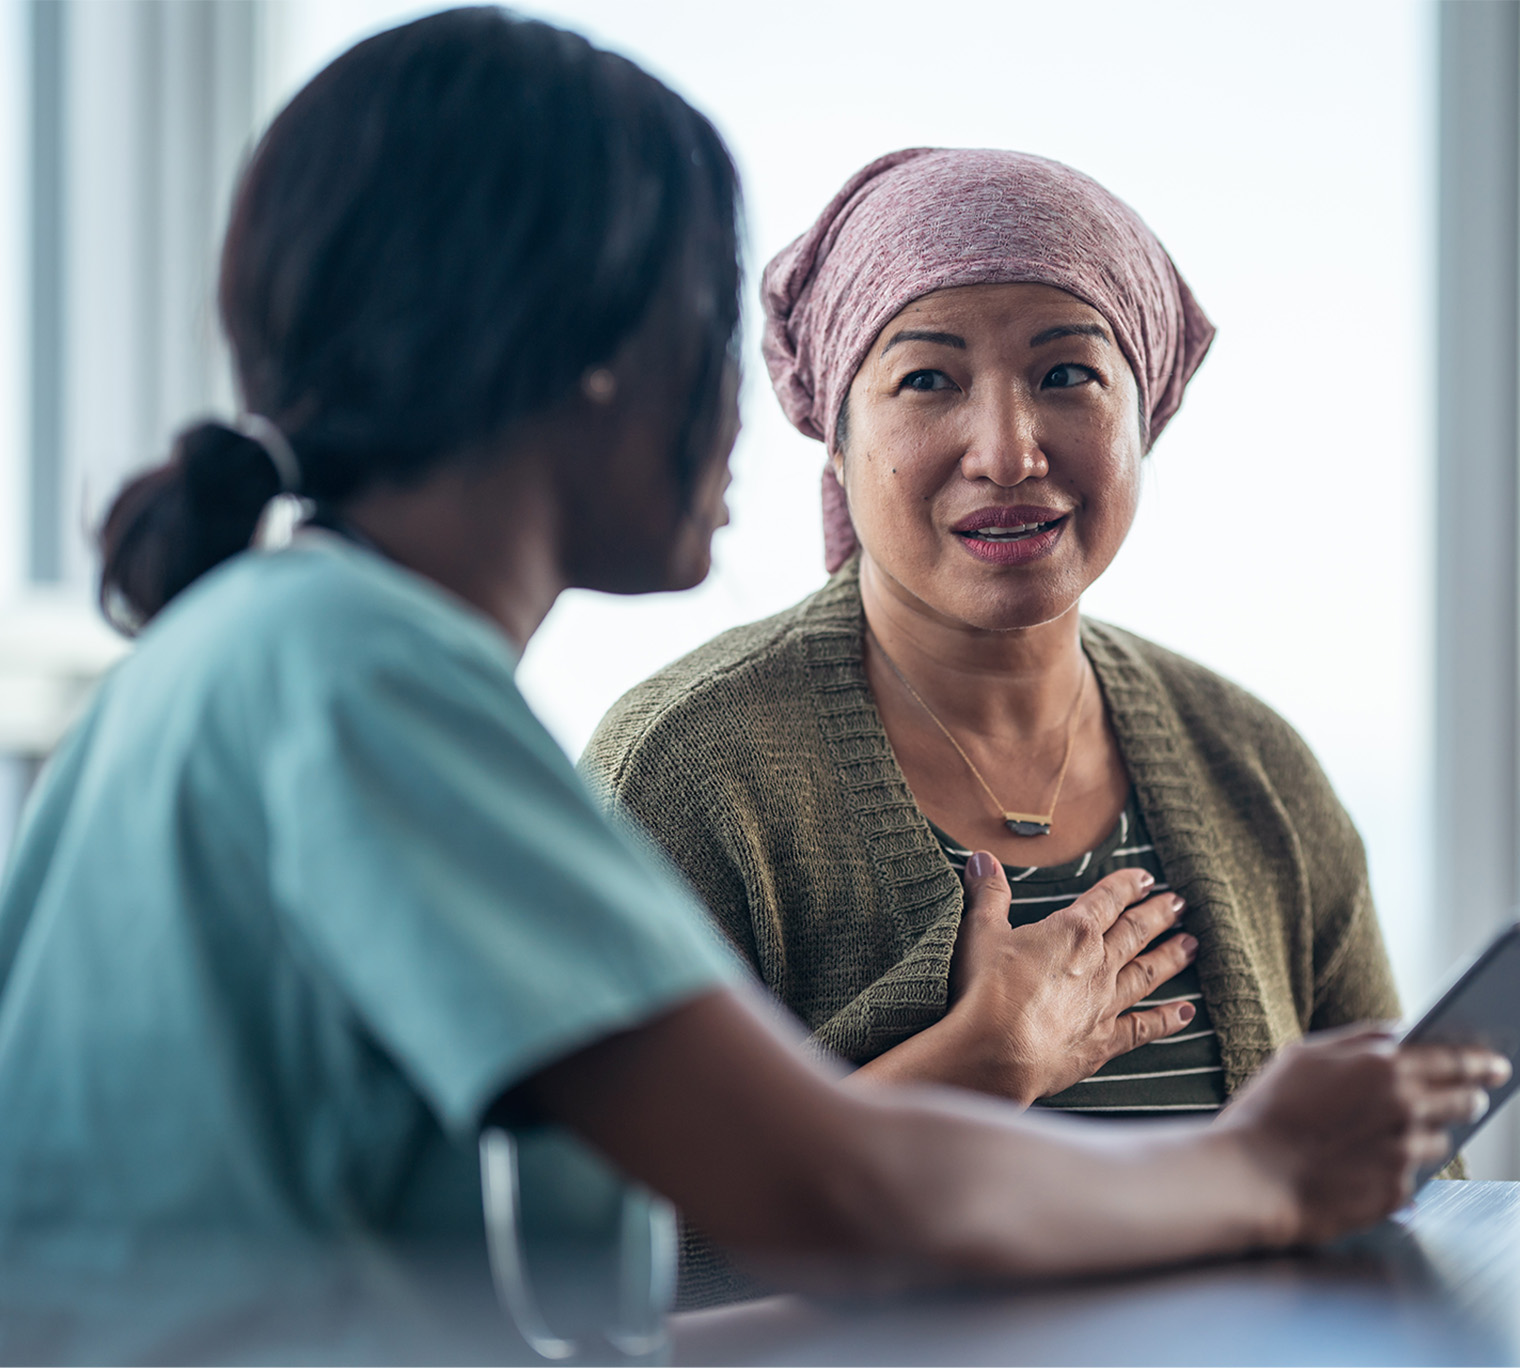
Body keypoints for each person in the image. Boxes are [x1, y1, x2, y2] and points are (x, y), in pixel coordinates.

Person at [0, 14, 1499, 1364]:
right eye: (713, 320)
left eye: (1065, 375)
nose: (748, 397)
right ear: (588, 347)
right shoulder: (353, 682)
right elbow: (826, 1190)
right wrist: (1259, 1168)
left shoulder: (275, 652)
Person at [582, 147, 1439, 1306]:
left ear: (1144, 416)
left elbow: (1410, 1190)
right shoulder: (687, 769)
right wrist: (978, 1067)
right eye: (927, 380)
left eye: (1066, 374)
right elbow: (590, 1270)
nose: (1007, 452)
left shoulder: (1253, 763)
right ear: (835, 433)